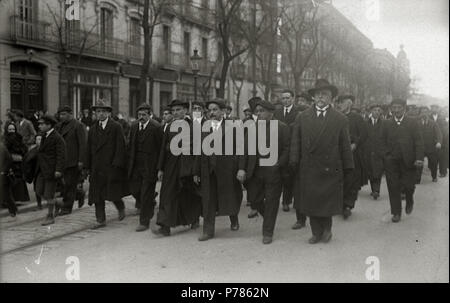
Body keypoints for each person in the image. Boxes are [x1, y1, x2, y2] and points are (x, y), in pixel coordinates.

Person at [290, 79, 354, 244]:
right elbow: (295, 142)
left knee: (326, 202)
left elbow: (345, 145)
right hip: (309, 167)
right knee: (311, 202)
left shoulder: (340, 119)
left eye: (325, 94)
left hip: (330, 167)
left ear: (331, 97)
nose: (320, 97)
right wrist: (294, 162)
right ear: (313, 97)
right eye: (318, 94)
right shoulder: (302, 117)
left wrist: (348, 166)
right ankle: (315, 232)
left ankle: (327, 230)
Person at [193, 98, 245, 241]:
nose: (212, 113)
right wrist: (196, 171)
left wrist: (241, 168)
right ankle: (208, 231)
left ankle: (233, 218)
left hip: (227, 169)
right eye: (209, 110)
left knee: (229, 196)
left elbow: (241, 148)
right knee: (208, 200)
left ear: (223, 111)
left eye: (215, 110)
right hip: (207, 169)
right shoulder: (204, 127)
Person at [243, 98, 290, 244]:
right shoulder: (252, 127)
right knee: (254, 200)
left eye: (262, 111)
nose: (259, 114)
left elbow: (287, 148)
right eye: (257, 111)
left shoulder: (282, 127)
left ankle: (268, 232)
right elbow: (244, 150)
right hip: (255, 171)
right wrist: (241, 168)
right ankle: (269, 217)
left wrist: (278, 164)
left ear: (271, 113)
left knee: (271, 201)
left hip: (273, 172)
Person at [154, 99, 202, 236]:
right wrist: (161, 168)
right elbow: (164, 148)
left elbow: (196, 148)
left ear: (186, 111)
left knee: (188, 194)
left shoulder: (193, 126)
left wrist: (195, 169)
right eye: (173, 111)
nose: (175, 113)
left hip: (187, 165)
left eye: (178, 110)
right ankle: (164, 226)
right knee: (167, 194)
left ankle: (193, 218)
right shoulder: (169, 127)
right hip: (171, 166)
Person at [85, 100, 128, 229]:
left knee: (112, 192)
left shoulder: (115, 127)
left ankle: (120, 206)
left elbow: (121, 147)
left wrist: (116, 165)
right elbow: (88, 149)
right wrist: (87, 167)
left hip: (110, 166)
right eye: (98, 111)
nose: (101, 114)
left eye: (103, 111)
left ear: (108, 113)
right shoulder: (93, 129)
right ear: (95, 113)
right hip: (97, 167)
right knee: (97, 195)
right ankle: (100, 220)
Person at [382, 98, 424, 223]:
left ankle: (409, 198)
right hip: (391, 161)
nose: (396, 110)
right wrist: (386, 156)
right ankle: (396, 213)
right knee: (393, 186)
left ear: (404, 108)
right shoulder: (386, 123)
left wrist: (419, 158)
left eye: (399, 107)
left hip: (409, 161)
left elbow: (418, 141)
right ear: (391, 109)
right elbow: (382, 141)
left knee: (409, 186)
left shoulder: (412, 122)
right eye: (393, 108)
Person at [128, 103, 163, 232]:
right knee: (134, 190)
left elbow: (160, 149)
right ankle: (151, 203)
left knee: (145, 194)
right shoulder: (134, 126)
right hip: (136, 165)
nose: (141, 117)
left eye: (144, 115)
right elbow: (130, 145)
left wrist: (160, 167)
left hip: (150, 166)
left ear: (150, 115)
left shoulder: (156, 127)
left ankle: (144, 221)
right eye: (139, 115)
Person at [336, 95, 368, 219]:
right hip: (338, 154)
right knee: (339, 180)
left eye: (342, 103)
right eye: (338, 103)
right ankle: (340, 203)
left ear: (349, 104)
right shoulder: (336, 117)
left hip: (353, 154)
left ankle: (348, 205)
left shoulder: (357, 118)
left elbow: (364, 134)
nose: (339, 105)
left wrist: (356, 144)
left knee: (352, 180)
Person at [54, 106, 87, 215]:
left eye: (64, 114)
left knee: (69, 184)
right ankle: (79, 193)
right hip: (61, 160)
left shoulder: (78, 126)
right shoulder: (58, 126)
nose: (61, 116)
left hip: (73, 160)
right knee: (64, 184)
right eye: (60, 114)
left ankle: (67, 208)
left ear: (70, 114)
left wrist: (81, 160)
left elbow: (83, 144)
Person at [36, 115, 66, 226]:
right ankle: (57, 203)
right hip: (42, 170)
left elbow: (61, 155)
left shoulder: (57, 138)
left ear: (49, 125)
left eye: (42, 124)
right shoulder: (44, 136)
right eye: (39, 124)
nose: (39, 126)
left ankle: (50, 216)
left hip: (52, 170)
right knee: (39, 191)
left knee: (49, 194)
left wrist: (58, 170)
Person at [274, 89, 300, 212]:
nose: (285, 100)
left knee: (290, 175)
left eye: (287, 98)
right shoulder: (277, 112)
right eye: (283, 98)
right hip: (280, 147)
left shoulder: (298, 113)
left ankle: (287, 200)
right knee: (280, 174)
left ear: (292, 99)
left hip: (293, 146)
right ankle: (281, 199)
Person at [3, 122, 30, 204]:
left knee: (19, 180)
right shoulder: (5, 139)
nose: (12, 131)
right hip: (9, 163)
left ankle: (19, 198)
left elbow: (24, 148)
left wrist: (21, 154)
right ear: (7, 130)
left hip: (19, 163)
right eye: (10, 129)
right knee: (10, 180)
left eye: (13, 129)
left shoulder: (19, 137)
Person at [363, 104, 385, 199]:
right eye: (375, 110)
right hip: (368, 151)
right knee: (371, 171)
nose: (377, 112)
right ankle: (374, 189)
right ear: (371, 111)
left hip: (379, 151)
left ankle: (376, 190)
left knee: (378, 170)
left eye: (378, 110)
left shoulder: (384, 123)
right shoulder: (365, 123)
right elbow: (362, 137)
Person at [417, 106, 442, 183]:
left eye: (425, 112)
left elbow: (439, 134)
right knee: (419, 163)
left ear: (428, 113)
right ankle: (417, 179)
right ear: (420, 113)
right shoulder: (416, 123)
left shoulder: (433, 123)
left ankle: (434, 177)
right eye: (422, 112)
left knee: (433, 163)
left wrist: (438, 142)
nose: (424, 114)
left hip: (431, 147)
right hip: (420, 147)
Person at [430, 104, 449, 177]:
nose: (446, 112)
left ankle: (443, 172)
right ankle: (433, 170)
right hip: (434, 140)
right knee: (434, 156)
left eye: (447, 110)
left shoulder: (443, 119)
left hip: (444, 141)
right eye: (444, 110)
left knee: (443, 157)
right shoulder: (432, 117)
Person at [1, 142, 17, 217]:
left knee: (6, 194)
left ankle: (13, 210)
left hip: (3, 174)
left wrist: (4, 171)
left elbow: (9, 159)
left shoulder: (2, 147)